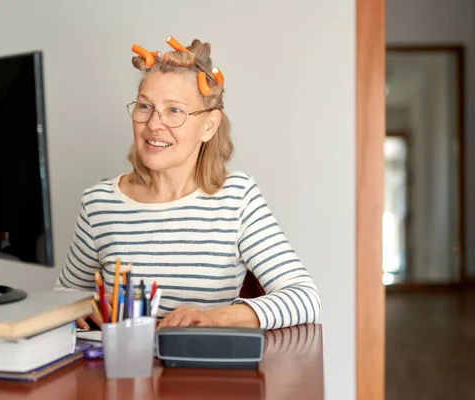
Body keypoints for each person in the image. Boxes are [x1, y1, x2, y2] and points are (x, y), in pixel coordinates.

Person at [55, 36, 321, 331]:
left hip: (200, 370)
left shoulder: (237, 198)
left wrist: (214, 317)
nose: (154, 124)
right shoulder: (99, 203)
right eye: (145, 106)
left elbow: (304, 297)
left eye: (174, 110)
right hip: (122, 372)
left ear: (209, 125)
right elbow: (65, 297)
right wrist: (74, 308)